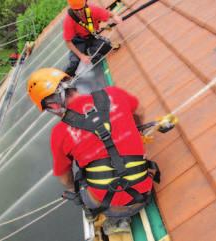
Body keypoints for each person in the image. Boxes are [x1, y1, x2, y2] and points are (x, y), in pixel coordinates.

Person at [27, 68, 160, 235]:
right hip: (144, 193)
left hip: (111, 206)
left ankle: (112, 220)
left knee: (78, 178)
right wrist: (134, 132)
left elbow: (64, 179)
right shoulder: (114, 94)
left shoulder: (59, 133)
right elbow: (140, 112)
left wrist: (75, 190)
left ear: (53, 105)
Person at [64, 0, 122, 76]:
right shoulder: (68, 20)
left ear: (85, 4)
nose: (79, 12)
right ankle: (64, 78)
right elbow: (68, 42)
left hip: (91, 37)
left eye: (81, 8)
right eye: (76, 10)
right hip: (79, 40)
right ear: (72, 9)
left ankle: (90, 51)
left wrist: (115, 17)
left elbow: (110, 15)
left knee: (107, 47)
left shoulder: (93, 9)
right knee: (74, 63)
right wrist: (81, 56)